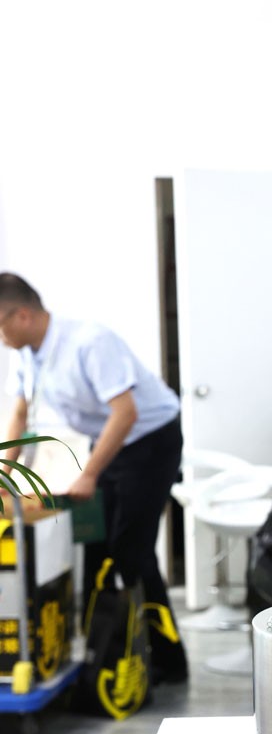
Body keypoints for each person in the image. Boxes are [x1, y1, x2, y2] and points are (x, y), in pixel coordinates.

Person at [0, 272, 187, 685]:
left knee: (130, 551)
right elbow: (19, 414)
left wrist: (88, 474)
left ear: (22, 315)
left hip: (150, 440)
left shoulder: (89, 342)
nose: (1, 337)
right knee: (101, 546)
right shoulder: (27, 354)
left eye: (0, 326)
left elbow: (126, 413)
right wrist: (4, 475)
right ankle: (112, 650)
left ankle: (162, 662)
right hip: (109, 441)